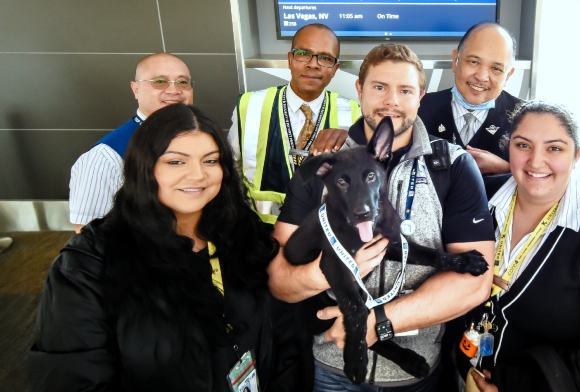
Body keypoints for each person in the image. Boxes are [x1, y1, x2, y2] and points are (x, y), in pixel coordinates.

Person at [29, 104, 305, 391]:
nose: (198, 175)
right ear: (145, 167)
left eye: (211, 161)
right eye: (176, 162)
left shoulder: (244, 236)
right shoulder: (89, 265)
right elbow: (74, 378)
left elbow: (285, 344)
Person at [268, 43, 496, 390]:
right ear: (359, 89)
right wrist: (332, 270)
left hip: (414, 376)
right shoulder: (324, 164)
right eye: (379, 87)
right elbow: (279, 280)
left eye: (405, 90)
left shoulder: (452, 166)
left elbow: (475, 283)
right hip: (331, 368)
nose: (392, 100)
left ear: (421, 94)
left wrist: (377, 323)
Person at [463, 101, 580, 391]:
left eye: (554, 148)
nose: (536, 161)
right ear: (509, 147)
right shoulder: (476, 200)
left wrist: (515, 384)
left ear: (577, 156)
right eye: (523, 145)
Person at [228, 23, 360, 225]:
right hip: (259, 236)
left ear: (335, 69)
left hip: (322, 237)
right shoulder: (250, 105)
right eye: (303, 53)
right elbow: (232, 173)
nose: (313, 64)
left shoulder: (352, 114)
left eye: (325, 58)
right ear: (290, 59)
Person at [69, 52, 194, 233]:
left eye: (183, 82)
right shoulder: (105, 157)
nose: (174, 90)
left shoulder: (199, 139)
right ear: (135, 89)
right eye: (160, 81)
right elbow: (88, 233)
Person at [418, 22, 522, 176]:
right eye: (474, 62)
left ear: (508, 75)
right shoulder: (419, 108)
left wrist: (507, 169)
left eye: (496, 69)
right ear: (455, 60)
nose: (481, 77)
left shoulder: (524, 118)